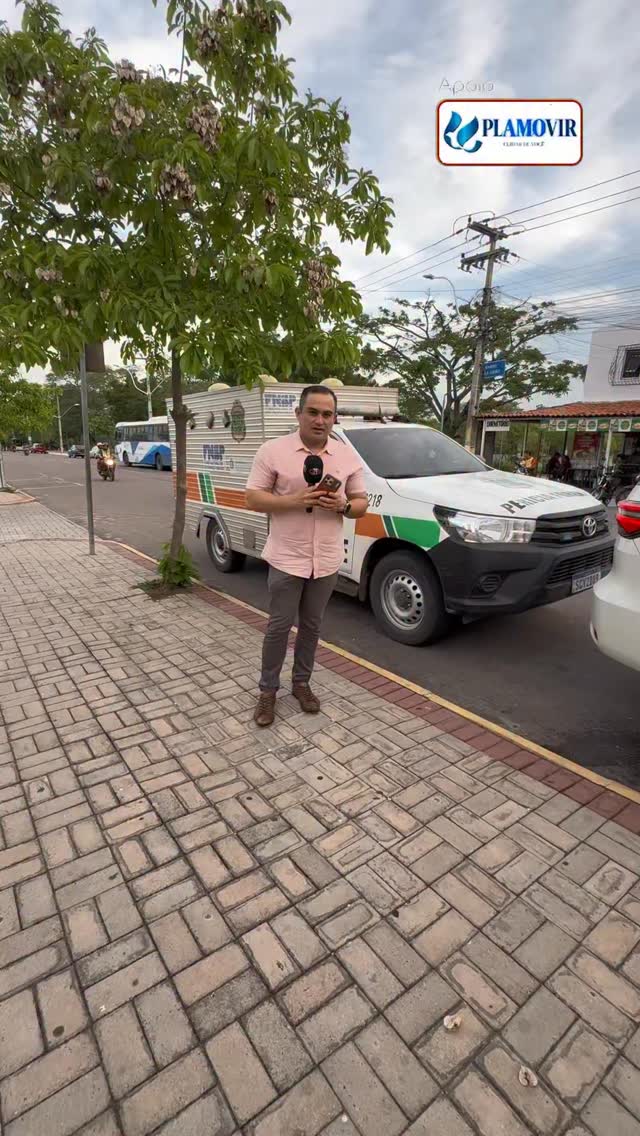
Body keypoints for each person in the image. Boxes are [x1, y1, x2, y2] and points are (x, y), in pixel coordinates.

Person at [246, 385, 369, 727]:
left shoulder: (346, 456)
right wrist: (294, 501)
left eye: (327, 414)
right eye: (313, 412)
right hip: (287, 556)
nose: (320, 420)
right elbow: (253, 499)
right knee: (279, 627)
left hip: (326, 559)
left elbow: (361, 503)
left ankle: (301, 684)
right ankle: (268, 691)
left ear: (334, 418)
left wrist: (343, 505)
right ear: (298, 414)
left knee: (312, 627)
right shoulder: (273, 451)